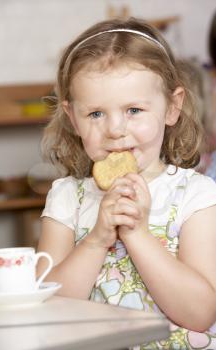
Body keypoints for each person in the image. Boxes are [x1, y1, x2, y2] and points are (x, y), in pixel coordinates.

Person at [37, 17, 216, 349]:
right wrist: (96, 240)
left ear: (172, 107)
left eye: (134, 110)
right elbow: (43, 309)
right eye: (95, 114)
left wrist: (137, 233)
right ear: (73, 117)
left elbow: (200, 314)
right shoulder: (66, 199)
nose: (115, 129)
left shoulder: (197, 196)